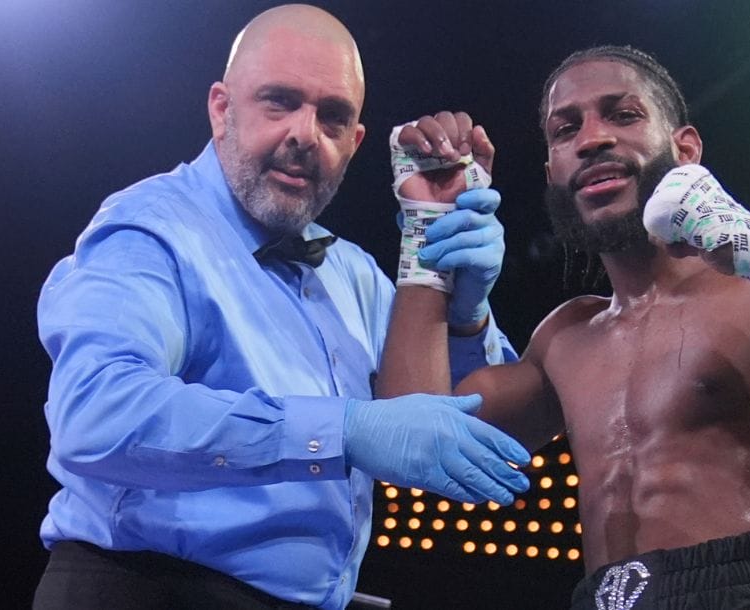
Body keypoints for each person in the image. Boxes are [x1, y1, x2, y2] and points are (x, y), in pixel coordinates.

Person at [378, 45, 750, 610]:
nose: (592, 139)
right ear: (552, 171)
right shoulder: (568, 336)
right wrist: (425, 236)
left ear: (685, 148)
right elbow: (416, 439)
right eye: (566, 129)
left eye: (623, 114)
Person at [32, 5, 530, 609]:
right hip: (145, 589)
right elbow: (96, 416)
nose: (303, 134)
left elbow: (445, 428)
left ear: (355, 143)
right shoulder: (150, 229)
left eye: (333, 116)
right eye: (279, 101)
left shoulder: (354, 276)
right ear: (222, 110)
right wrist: (342, 430)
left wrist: (461, 305)